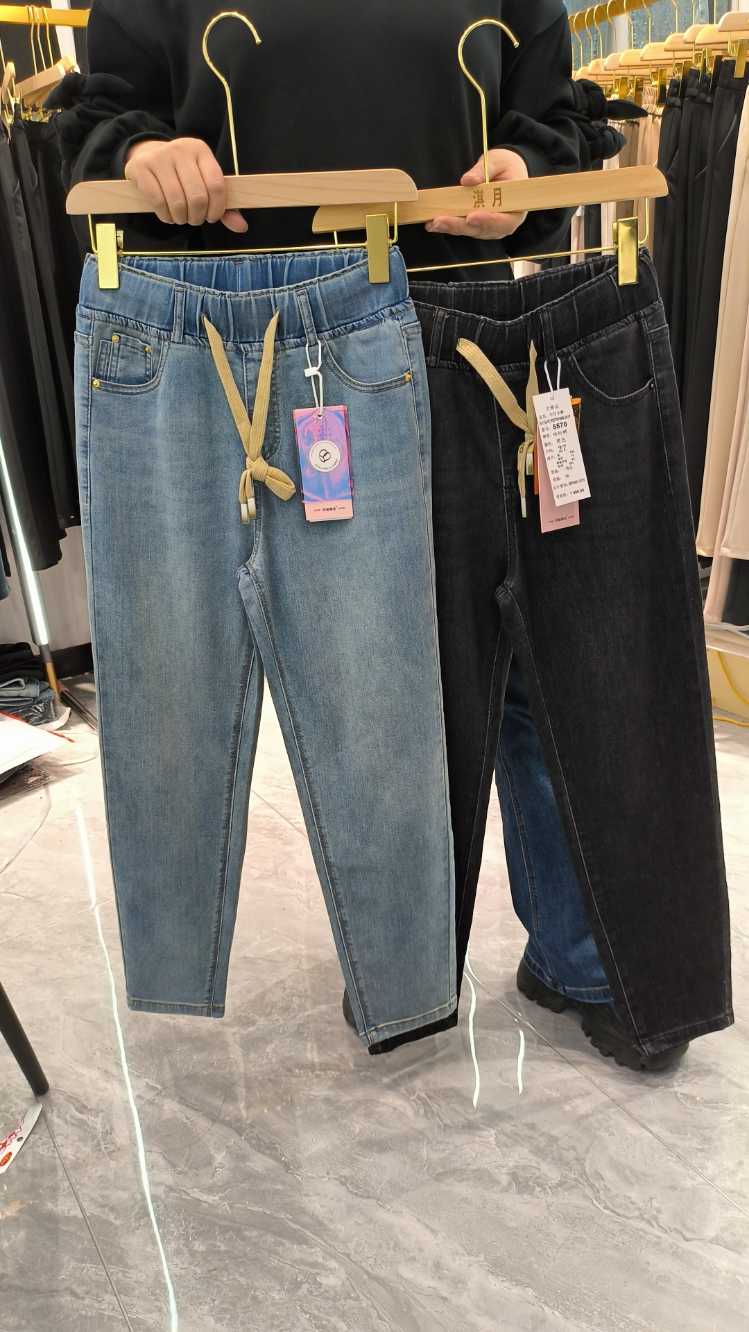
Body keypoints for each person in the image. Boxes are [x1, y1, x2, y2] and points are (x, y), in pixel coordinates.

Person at [56, 1, 681, 1072]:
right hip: (242, 334)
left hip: (463, 323)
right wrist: (142, 153)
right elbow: (103, 111)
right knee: (367, 677)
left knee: (523, 667)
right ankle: (406, 967)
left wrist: (521, 172)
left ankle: (571, 956)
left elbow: (550, 120)